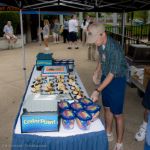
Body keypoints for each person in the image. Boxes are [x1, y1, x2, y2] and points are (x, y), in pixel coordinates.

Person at [88, 23, 127, 150]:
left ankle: (120, 142)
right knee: (106, 107)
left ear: (103, 34)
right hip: (106, 76)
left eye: (95, 40)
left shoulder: (115, 49)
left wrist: (97, 90)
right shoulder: (100, 44)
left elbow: (112, 75)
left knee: (117, 114)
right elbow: (101, 58)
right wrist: (97, 71)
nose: (94, 43)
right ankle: (108, 132)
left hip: (117, 80)